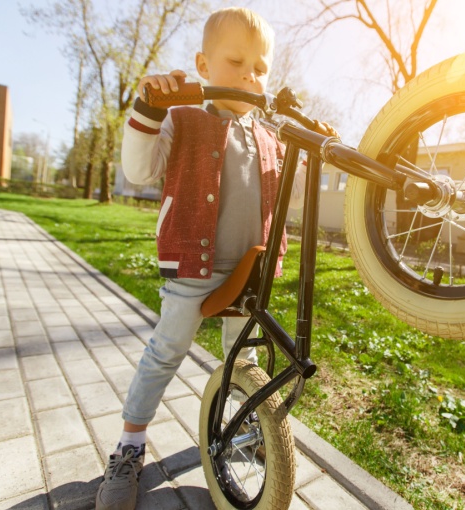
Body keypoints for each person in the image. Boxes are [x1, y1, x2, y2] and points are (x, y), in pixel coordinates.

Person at [95, 7, 336, 509]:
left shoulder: (270, 136)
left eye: (261, 67)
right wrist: (149, 109)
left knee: (242, 357)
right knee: (166, 351)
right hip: (191, 268)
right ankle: (130, 446)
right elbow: (139, 171)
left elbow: (287, 200)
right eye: (236, 61)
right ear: (203, 66)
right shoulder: (182, 117)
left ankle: (243, 422)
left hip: (252, 271)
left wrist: (312, 153)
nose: (252, 74)